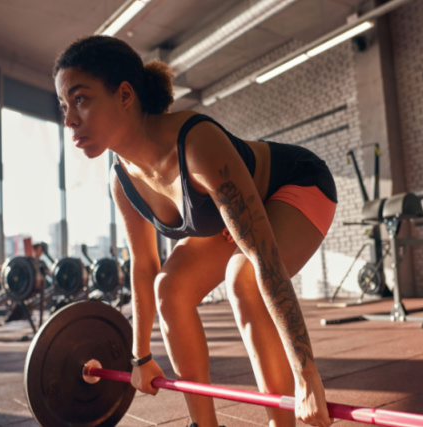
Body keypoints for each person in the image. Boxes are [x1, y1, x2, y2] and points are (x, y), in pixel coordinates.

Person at [54, 35, 337, 427]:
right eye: (64, 105)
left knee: (244, 278)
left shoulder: (195, 143)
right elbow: (144, 266)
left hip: (298, 182)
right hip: (235, 217)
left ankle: (282, 422)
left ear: (124, 95)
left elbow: (265, 258)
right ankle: (204, 425)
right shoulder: (122, 181)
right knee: (170, 286)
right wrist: (140, 357)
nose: (69, 118)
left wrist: (307, 375)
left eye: (80, 99)